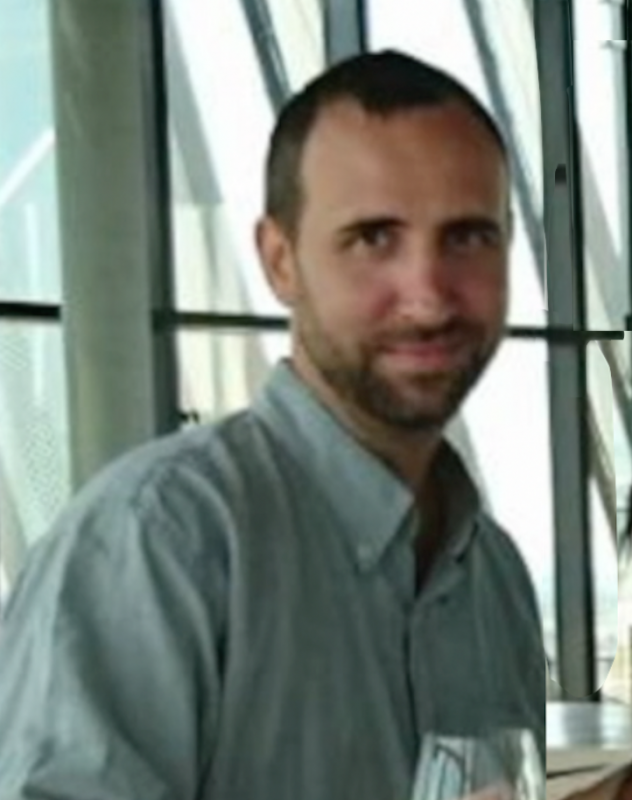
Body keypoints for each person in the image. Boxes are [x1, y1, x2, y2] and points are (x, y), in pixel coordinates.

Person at [0, 50, 545, 799]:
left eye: (467, 237)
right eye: (374, 238)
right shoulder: (158, 544)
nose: (427, 296)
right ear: (279, 260)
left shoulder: (494, 580)